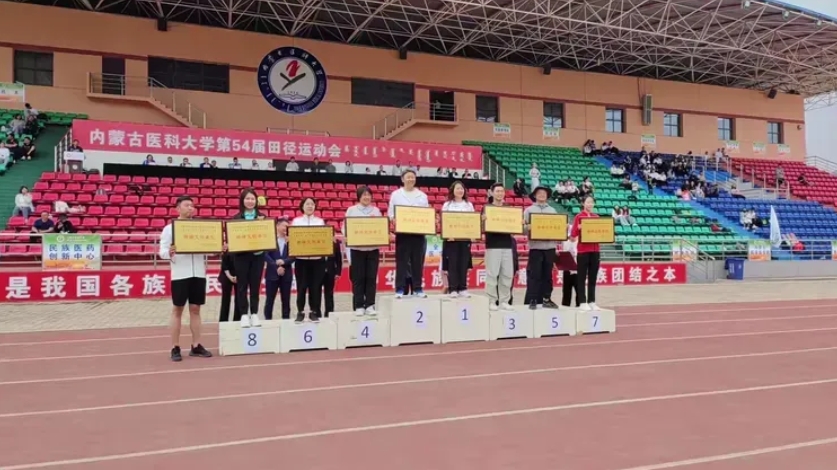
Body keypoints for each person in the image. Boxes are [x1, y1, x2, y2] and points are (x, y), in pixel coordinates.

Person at [158, 196, 213, 362]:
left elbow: (209, 248)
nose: (190, 208)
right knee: (178, 310)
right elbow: (162, 252)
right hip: (180, 274)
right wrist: (170, 252)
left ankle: (196, 345)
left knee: (196, 309)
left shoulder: (200, 228)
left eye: (192, 206)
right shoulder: (169, 229)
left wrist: (218, 247)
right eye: (187, 205)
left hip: (198, 273)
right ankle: (175, 346)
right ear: (178, 208)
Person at [387, 169, 430, 298]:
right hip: (403, 233)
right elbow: (391, 213)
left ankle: (418, 288)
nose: (411, 179)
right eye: (408, 177)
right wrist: (393, 219)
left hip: (418, 233)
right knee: (402, 262)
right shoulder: (396, 194)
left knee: (417, 262)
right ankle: (399, 289)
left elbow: (427, 213)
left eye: (413, 177)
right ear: (402, 179)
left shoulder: (422, 195)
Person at [230, 188, 267, 328]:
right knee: (242, 286)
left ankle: (255, 313)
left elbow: (267, 236)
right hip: (241, 257)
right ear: (242, 200)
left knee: (255, 285)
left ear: (256, 201)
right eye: (247, 198)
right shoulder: (236, 218)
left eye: (252, 199)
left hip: (257, 257)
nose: (250, 201)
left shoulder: (263, 217)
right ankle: (244, 314)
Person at [343, 186, 382, 316]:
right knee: (358, 278)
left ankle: (370, 304)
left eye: (368, 195)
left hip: (372, 249)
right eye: (364, 195)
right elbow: (345, 228)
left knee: (371, 277)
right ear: (359, 197)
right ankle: (359, 305)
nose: (366, 197)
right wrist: (348, 235)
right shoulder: (351, 210)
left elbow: (381, 227)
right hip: (357, 249)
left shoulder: (376, 211)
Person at [523, 185, 560, 309]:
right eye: (539, 193)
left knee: (548, 275)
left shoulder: (553, 211)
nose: (542, 195)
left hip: (550, 248)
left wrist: (562, 228)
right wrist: (527, 227)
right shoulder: (528, 210)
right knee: (535, 275)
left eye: (544, 193)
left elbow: (557, 228)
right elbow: (522, 229)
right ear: (534, 195)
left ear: (547, 195)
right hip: (535, 248)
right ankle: (533, 299)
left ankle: (547, 299)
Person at [291, 197, 326, 323]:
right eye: (307, 204)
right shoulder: (296, 221)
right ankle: (300, 312)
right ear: (302, 206)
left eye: (312, 204)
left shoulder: (320, 222)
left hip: (317, 260)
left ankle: (313, 312)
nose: (310, 206)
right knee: (301, 286)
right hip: (301, 260)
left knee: (315, 287)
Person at [482, 182, 516, 311]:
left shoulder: (509, 208)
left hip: (507, 245)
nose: (500, 193)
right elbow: (481, 227)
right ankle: (491, 300)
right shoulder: (487, 208)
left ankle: (504, 301)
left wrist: (518, 224)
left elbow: (514, 227)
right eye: (497, 191)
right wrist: (482, 221)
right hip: (492, 245)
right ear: (491, 193)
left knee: (507, 275)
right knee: (492, 274)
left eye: (502, 191)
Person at [441, 180, 475, 298]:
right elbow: (444, 221)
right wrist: (447, 234)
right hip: (452, 239)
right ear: (453, 190)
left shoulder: (469, 205)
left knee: (463, 263)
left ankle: (463, 288)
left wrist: (472, 234)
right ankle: (453, 288)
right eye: (457, 188)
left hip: (465, 239)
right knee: (452, 263)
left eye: (462, 188)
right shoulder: (447, 205)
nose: (460, 190)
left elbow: (472, 222)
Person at [570, 196, 602, 311]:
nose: (590, 204)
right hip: (583, 251)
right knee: (581, 278)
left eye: (592, 202)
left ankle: (592, 301)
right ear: (583, 203)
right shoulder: (579, 217)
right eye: (587, 202)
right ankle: (582, 302)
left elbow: (602, 233)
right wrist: (579, 228)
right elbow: (572, 237)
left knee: (593, 278)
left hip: (595, 251)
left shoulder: (596, 217)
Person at [264, 218, 293, 320]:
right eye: (284, 226)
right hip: (272, 274)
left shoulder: (291, 240)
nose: (286, 228)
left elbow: (294, 256)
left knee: (286, 300)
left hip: (286, 274)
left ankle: (286, 320)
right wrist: (276, 266)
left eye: (288, 226)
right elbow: (265, 255)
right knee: (269, 300)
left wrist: (284, 262)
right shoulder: (270, 239)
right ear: (277, 226)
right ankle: (268, 320)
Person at [558, 227, 580, 307]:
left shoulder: (580, 243)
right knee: (566, 292)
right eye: (570, 236)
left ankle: (579, 307)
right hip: (567, 270)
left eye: (573, 236)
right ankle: (565, 308)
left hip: (578, 271)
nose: (571, 238)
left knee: (579, 292)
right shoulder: (565, 242)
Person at [322, 239, 343, 317]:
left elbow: (339, 259)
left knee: (329, 294)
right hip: (318, 271)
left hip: (330, 271)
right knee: (316, 293)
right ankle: (316, 313)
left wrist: (338, 272)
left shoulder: (335, 243)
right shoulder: (318, 239)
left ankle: (329, 313)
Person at [218, 252, 237, 322]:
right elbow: (224, 263)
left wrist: (238, 275)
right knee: (225, 299)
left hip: (240, 274)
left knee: (239, 299)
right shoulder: (226, 249)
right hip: (226, 274)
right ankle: (223, 321)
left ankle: (237, 320)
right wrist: (230, 276)